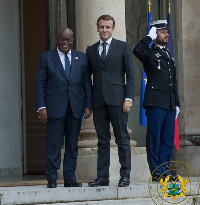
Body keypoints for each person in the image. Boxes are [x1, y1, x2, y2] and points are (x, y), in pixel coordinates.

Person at [35, 28, 92, 188]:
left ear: (72, 40)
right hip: (54, 108)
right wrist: (41, 106)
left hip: (76, 107)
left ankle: (69, 178)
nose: (65, 43)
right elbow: (40, 84)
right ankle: (52, 177)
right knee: (53, 144)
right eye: (62, 39)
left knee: (72, 144)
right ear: (57, 39)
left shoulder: (81, 57)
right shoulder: (46, 58)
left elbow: (87, 82)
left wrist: (88, 105)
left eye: (68, 39)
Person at [86, 15, 135, 187]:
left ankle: (125, 176)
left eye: (108, 27)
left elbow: (130, 75)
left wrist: (128, 98)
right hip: (98, 100)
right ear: (97, 28)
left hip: (118, 100)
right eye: (101, 27)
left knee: (122, 139)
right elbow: (87, 78)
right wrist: (88, 103)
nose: (104, 30)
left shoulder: (122, 47)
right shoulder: (90, 50)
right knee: (102, 140)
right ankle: (102, 177)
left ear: (113, 28)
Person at [133, 20, 180, 182]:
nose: (167, 35)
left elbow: (173, 81)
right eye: (162, 32)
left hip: (169, 103)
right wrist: (148, 38)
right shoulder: (149, 52)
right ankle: (156, 172)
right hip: (155, 102)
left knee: (167, 139)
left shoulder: (168, 54)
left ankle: (165, 171)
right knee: (155, 138)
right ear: (155, 34)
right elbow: (136, 50)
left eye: (167, 31)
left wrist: (177, 103)